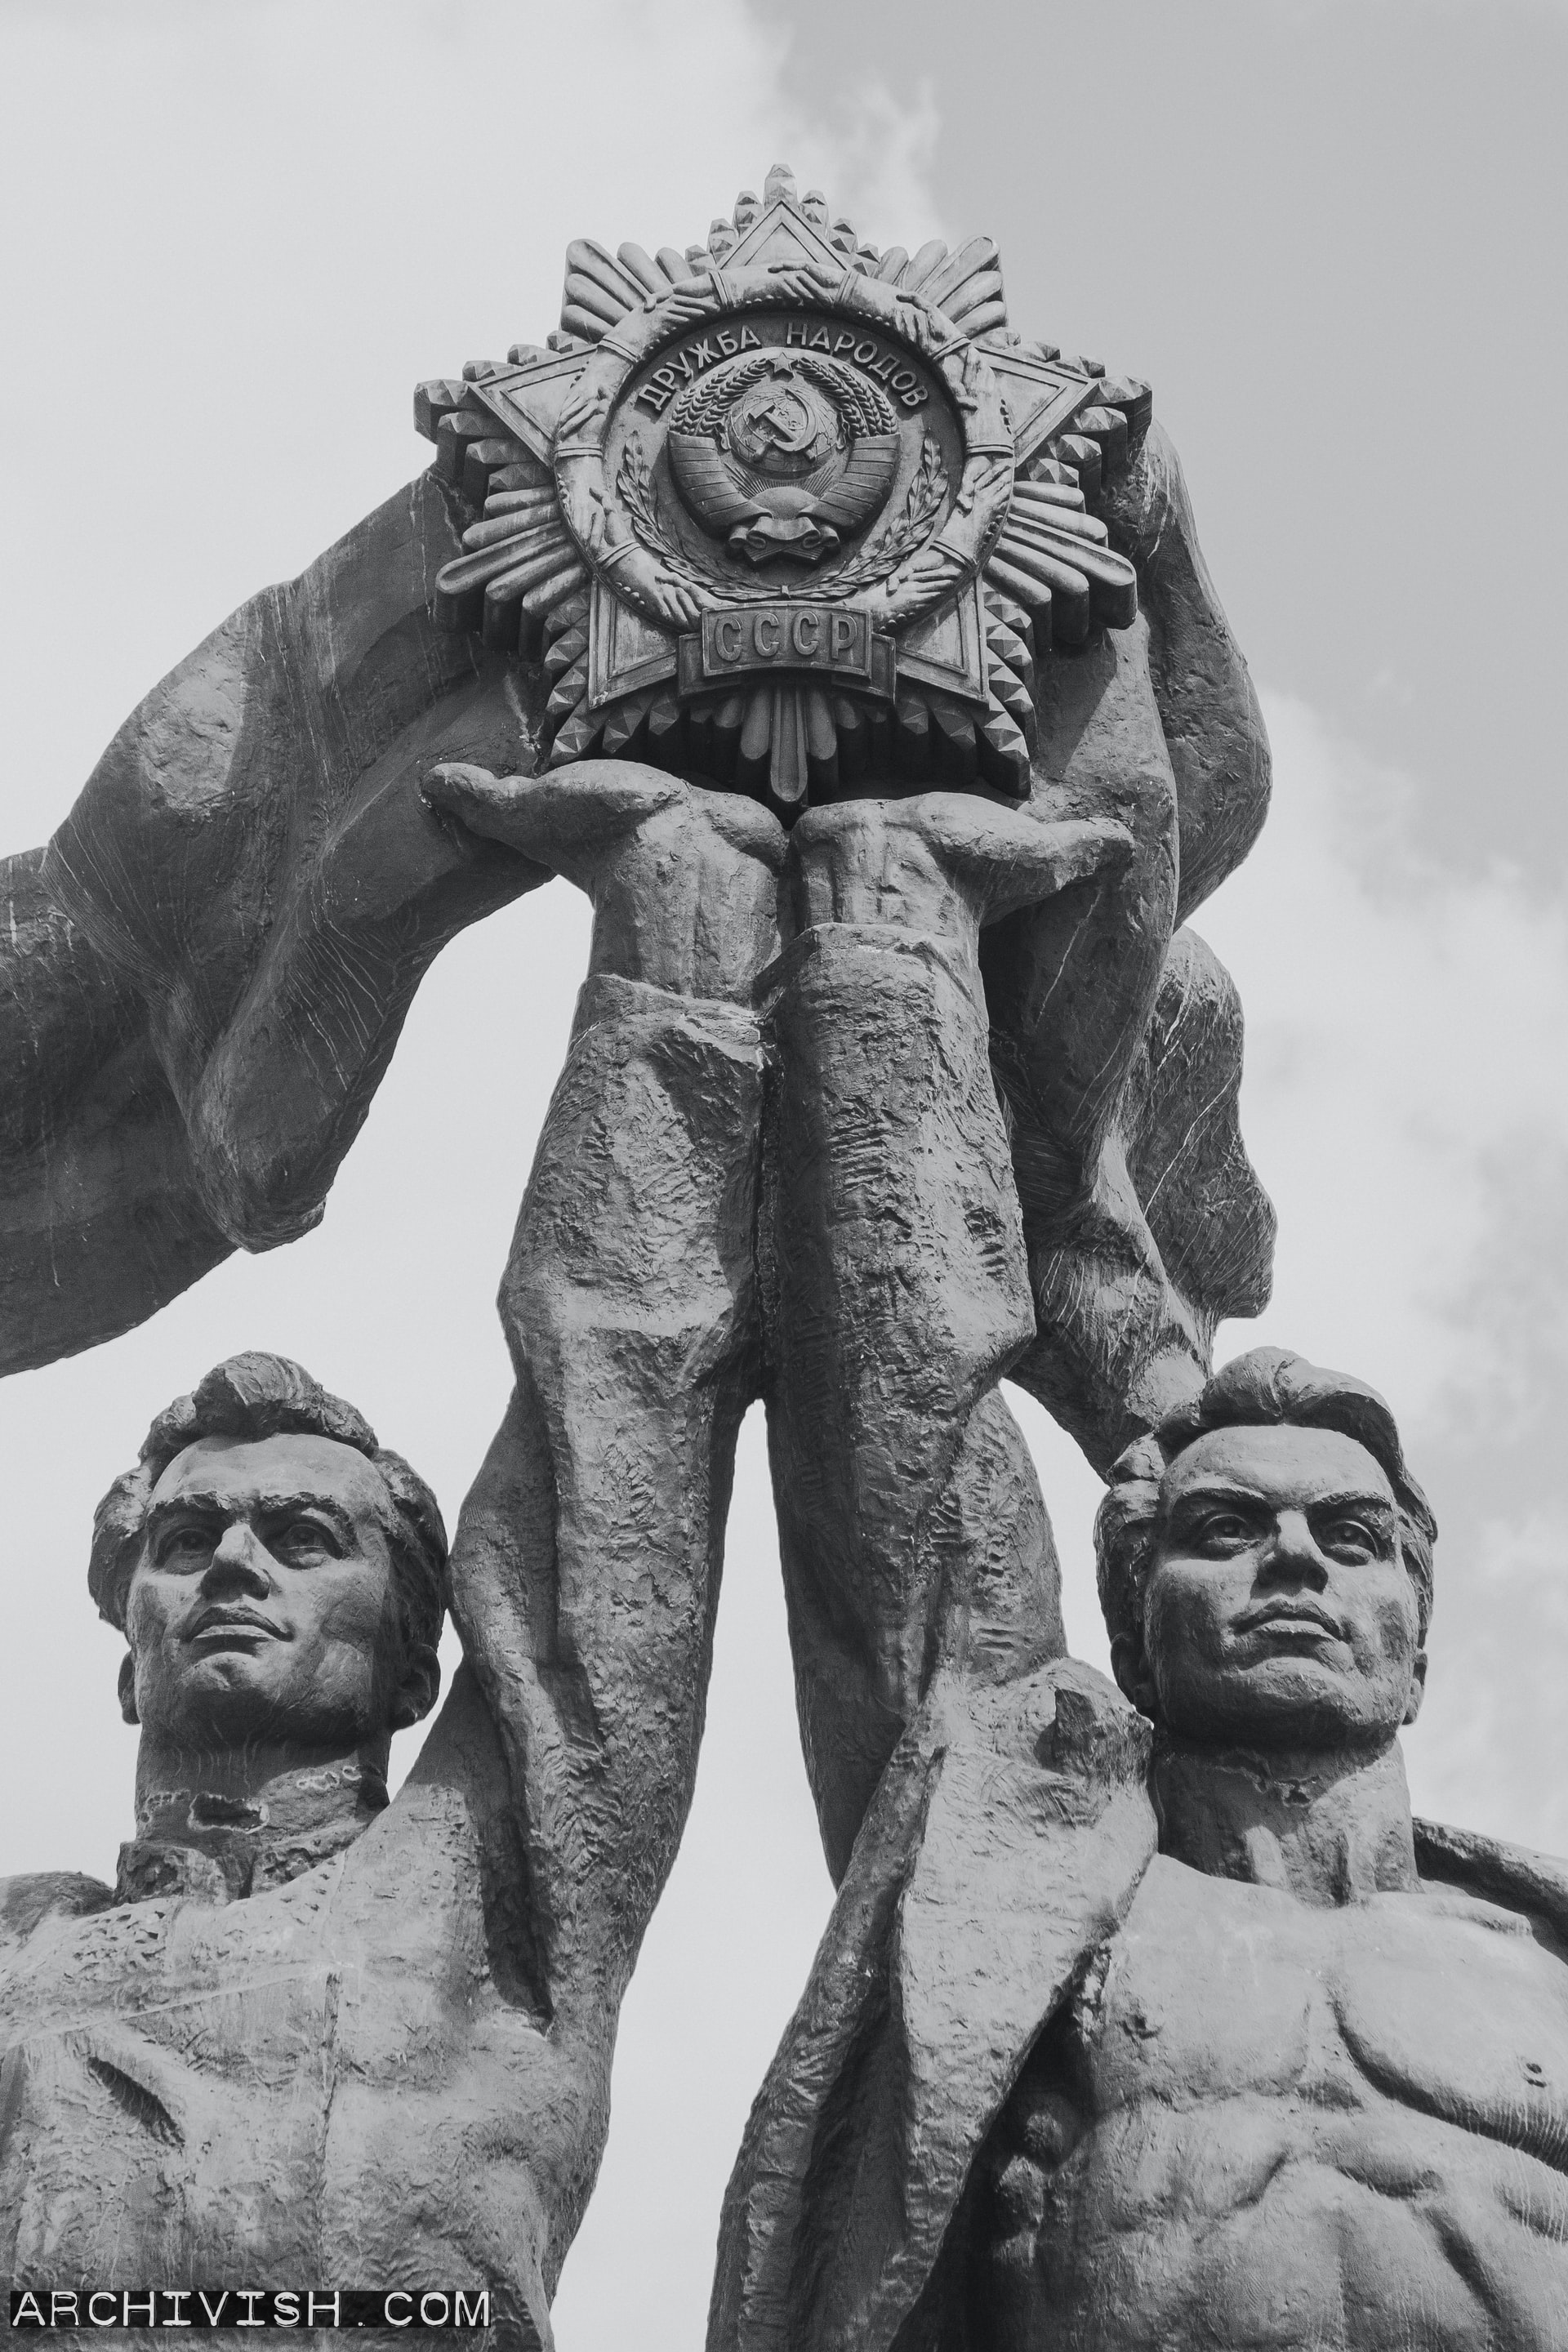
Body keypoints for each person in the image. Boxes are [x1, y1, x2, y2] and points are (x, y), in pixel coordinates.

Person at [712, 1349, 1568, 2352]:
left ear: (1416, 1654)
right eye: (1227, 1530)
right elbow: (897, 1407)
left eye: (1350, 1537)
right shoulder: (1027, 1906)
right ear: (1133, 1640)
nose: (1295, 1559)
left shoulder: (1544, 1961)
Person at [0, 1354, 602, 2350]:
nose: (235, 1563)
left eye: (303, 1539)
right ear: (127, 1670)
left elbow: (606, 1441)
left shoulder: (482, 1903)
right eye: (188, 1539)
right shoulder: (18, 1940)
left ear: (413, 1676)